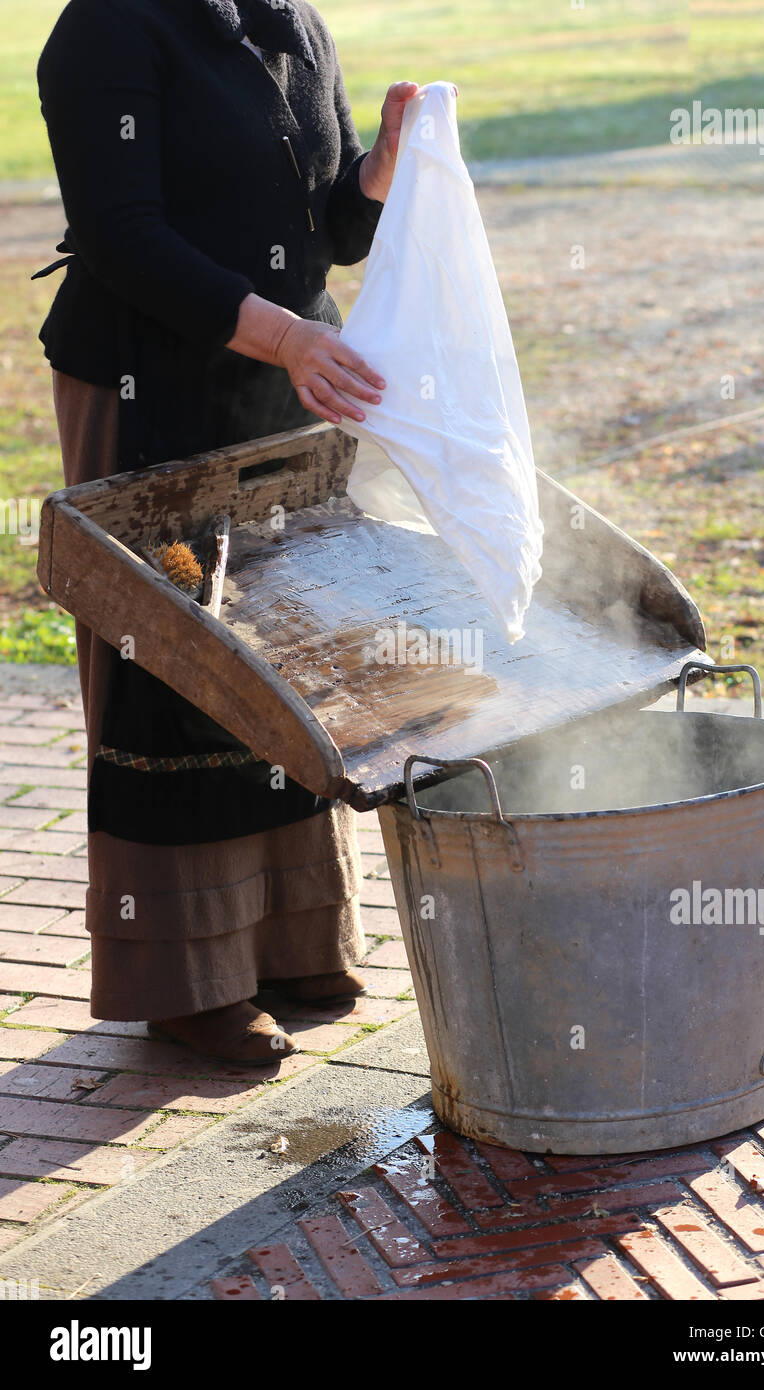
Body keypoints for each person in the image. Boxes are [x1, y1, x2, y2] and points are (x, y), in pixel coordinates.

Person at [34, 0, 418, 1062]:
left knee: (288, 642)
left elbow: (326, 230)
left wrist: (377, 169)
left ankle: (296, 936)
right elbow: (123, 237)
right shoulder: (109, 29)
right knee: (174, 664)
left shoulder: (289, 21)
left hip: (281, 389)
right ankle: (185, 976)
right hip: (146, 383)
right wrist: (286, 333)